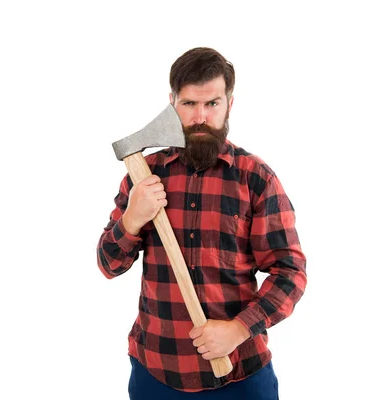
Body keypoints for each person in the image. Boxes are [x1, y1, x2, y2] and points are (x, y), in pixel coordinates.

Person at [97, 47, 307, 399]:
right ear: (171, 103)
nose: (200, 117)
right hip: (156, 371)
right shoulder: (144, 175)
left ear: (229, 104)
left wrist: (239, 329)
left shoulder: (255, 178)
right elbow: (108, 265)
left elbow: (290, 272)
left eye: (212, 104)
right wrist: (132, 218)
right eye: (189, 104)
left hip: (240, 373)